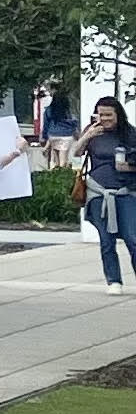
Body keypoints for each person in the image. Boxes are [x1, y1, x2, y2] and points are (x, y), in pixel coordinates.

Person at [80, 95, 136, 290]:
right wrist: (87, 136)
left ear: (118, 115)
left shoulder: (130, 134)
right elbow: (76, 152)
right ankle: (114, 280)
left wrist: (127, 167)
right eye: (101, 114)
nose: (104, 118)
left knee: (132, 237)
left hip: (125, 191)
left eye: (108, 115)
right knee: (106, 239)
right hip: (98, 191)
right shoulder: (93, 132)